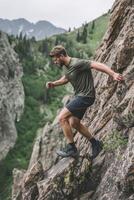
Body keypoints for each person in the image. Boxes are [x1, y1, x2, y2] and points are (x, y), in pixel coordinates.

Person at [46, 45, 124, 159]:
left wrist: (113, 74)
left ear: (62, 56)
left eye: (56, 59)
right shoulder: (68, 67)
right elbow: (66, 78)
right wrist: (54, 83)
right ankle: (95, 143)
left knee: (62, 118)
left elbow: (97, 65)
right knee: (74, 122)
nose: (55, 61)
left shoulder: (77, 63)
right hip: (81, 96)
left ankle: (71, 148)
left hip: (85, 97)